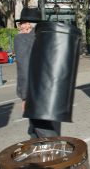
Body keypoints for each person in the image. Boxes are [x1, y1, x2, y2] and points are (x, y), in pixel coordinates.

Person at [14, 7, 60, 138]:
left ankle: (55, 156)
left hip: (36, 95)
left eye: (21, 23)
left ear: (28, 24)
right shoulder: (48, 38)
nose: (20, 27)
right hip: (51, 93)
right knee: (35, 130)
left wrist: (25, 97)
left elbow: (24, 70)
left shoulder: (22, 39)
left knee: (46, 134)